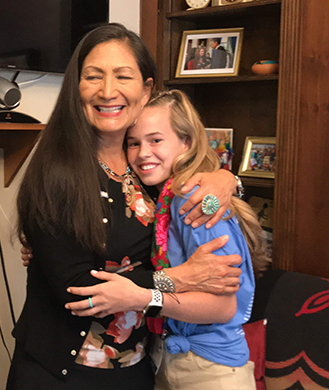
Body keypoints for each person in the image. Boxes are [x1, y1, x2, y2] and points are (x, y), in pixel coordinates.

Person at [9, 23, 242, 390]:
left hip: (138, 366)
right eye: (93, 76)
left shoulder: (147, 166)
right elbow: (81, 291)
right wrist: (180, 278)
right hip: (64, 374)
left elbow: (192, 203)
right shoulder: (57, 171)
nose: (107, 91)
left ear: (147, 88)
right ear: (76, 86)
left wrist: (227, 181)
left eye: (123, 76)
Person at [65, 90, 270, 389]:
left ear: (186, 141)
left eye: (155, 140)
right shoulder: (158, 198)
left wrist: (145, 297)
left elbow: (224, 307)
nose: (143, 152)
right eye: (133, 143)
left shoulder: (193, 200)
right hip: (171, 359)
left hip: (210, 368)